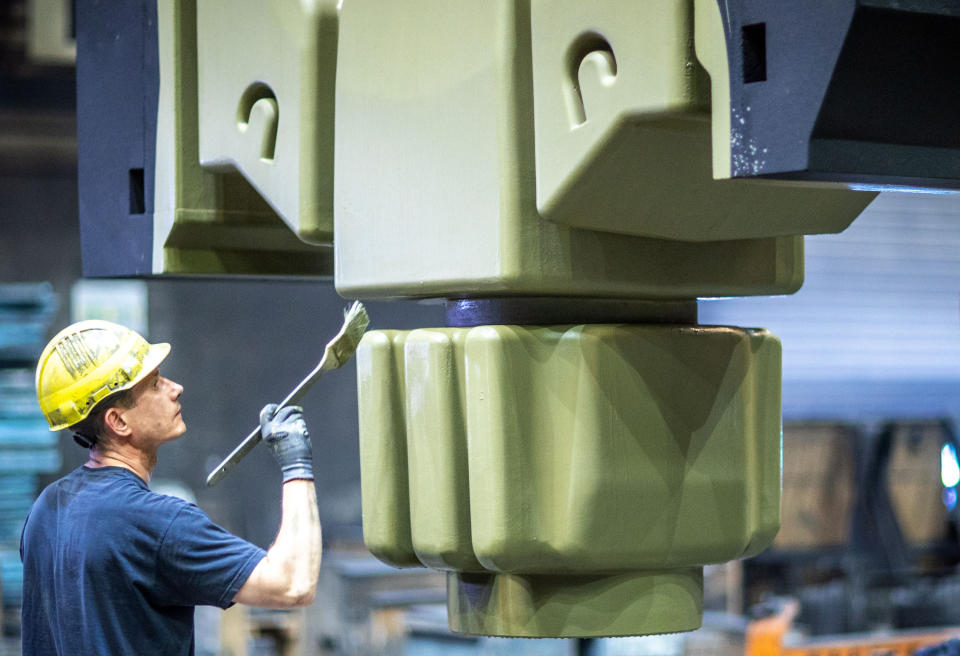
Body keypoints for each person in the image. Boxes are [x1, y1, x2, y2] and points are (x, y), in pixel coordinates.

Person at [20, 320, 322, 655]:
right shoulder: (155, 523)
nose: (174, 387)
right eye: (153, 384)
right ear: (118, 421)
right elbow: (293, 584)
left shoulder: (45, 510)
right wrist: (297, 465)